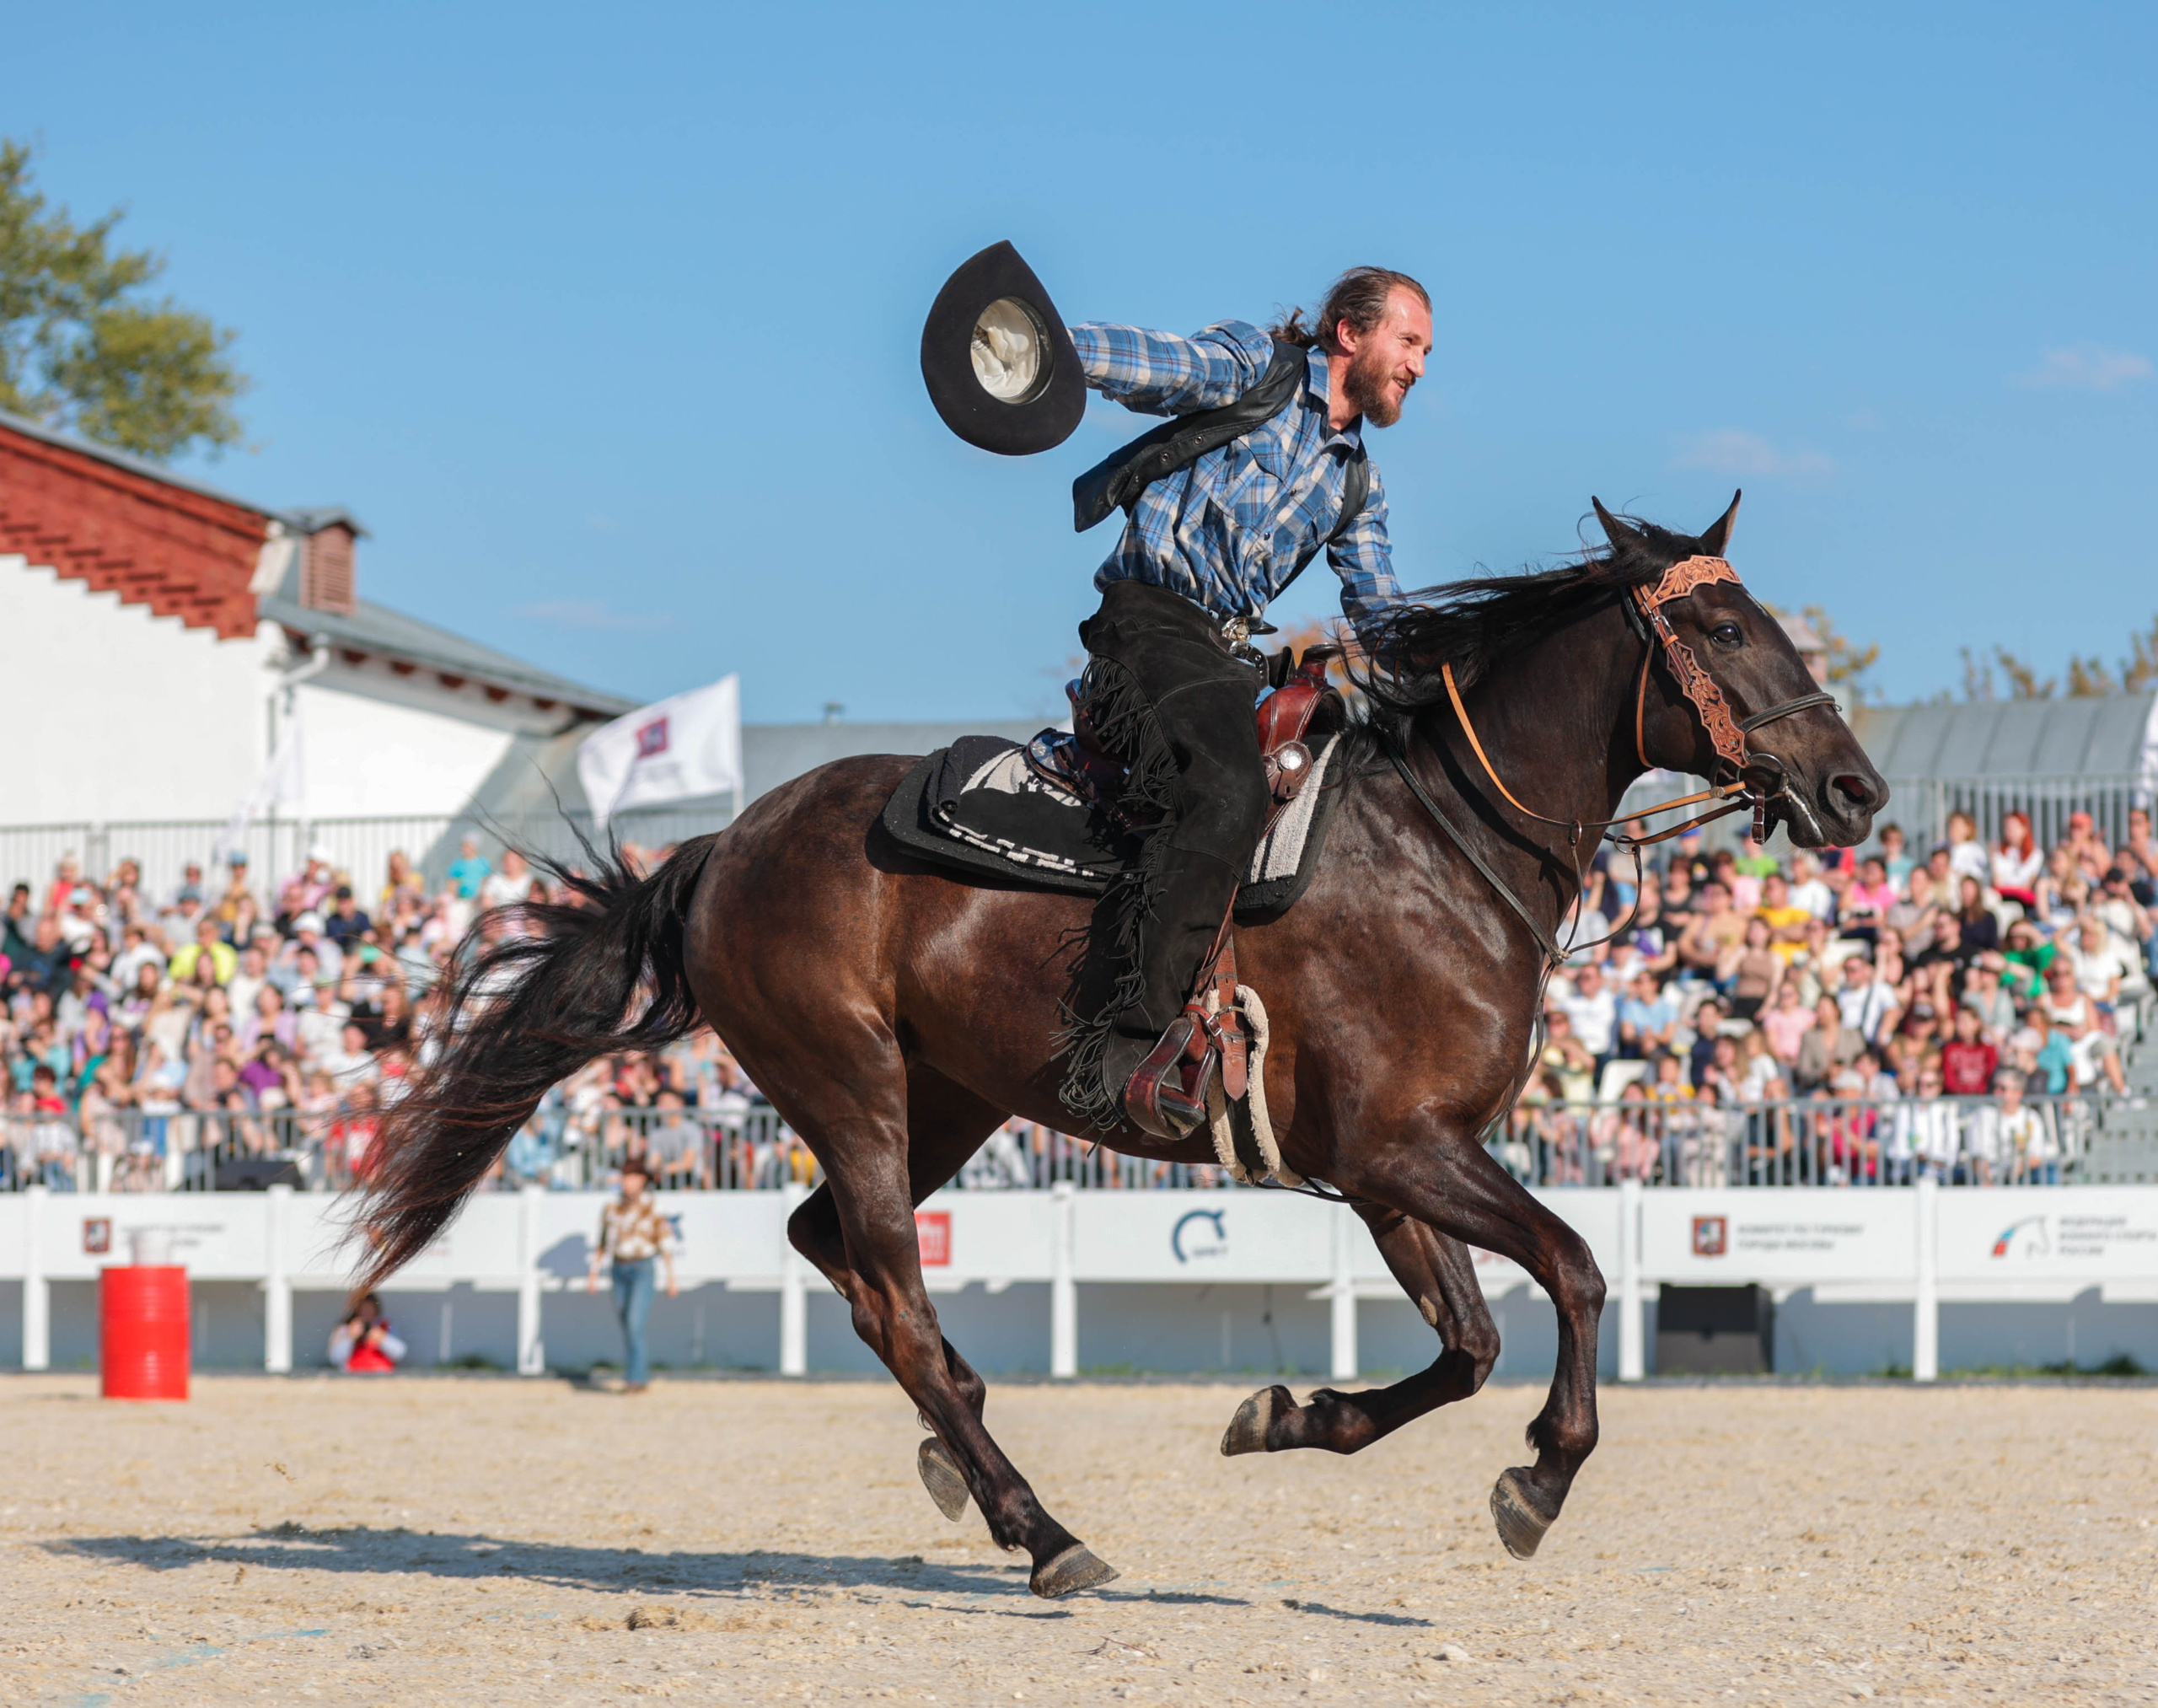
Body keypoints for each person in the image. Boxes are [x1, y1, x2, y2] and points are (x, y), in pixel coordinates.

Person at [1056, 266, 1431, 1135]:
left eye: (1423, 351)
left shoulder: (1357, 485)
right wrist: (1033, 350)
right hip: (1145, 625)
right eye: (1407, 342)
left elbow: (1377, 609)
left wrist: (1459, 664)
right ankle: (1126, 1043)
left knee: (1336, 763)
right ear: (1349, 333)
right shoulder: (1254, 368)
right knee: (1227, 788)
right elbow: (1145, 362)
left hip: (1228, 656)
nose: (1417, 366)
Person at [587, 1158, 679, 1392]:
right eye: (626, 1177)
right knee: (627, 1325)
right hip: (618, 1268)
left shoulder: (654, 1206)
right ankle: (634, 1376)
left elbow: (665, 1242)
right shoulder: (611, 1207)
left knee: (634, 1324)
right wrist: (594, 1272)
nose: (628, 1182)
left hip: (642, 1268)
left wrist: (671, 1277)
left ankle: (636, 1379)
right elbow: (603, 1241)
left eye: (633, 1177)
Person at [330, 1293, 407, 1372]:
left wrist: (383, 1339)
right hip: (354, 1375)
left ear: (376, 1310)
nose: (367, 1313)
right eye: (363, 1309)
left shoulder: (386, 1326)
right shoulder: (345, 1328)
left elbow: (400, 1354)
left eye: (370, 1309)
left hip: (381, 1374)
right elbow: (335, 1359)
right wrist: (350, 1338)